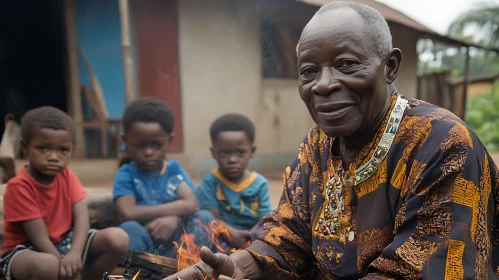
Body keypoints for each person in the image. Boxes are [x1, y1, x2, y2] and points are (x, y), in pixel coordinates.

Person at [166, 2, 499, 279]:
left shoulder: (441, 145)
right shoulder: (318, 145)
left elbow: (424, 270)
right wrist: (241, 264)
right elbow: (290, 233)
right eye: (309, 71)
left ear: (390, 67)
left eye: (347, 64)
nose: (323, 85)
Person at [0, 106, 129, 280]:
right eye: (43, 148)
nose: (54, 156)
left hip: (64, 242)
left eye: (63, 150)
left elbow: (82, 217)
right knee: (48, 265)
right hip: (26, 250)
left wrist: (75, 252)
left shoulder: (66, 176)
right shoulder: (19, 186)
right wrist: (62, 259)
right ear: (25, 146)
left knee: (118, 238)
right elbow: (38, 237)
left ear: (72, 150)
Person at [114, 97, 214, 258]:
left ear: (170, 141)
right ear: (125, 140)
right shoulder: (127, 173)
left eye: (156, 145)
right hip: (145, 243)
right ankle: (144, 272)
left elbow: (191, 203)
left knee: (205, 218)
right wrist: (174, 209)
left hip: (177, 242)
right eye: (140, 145)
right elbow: (127, 213)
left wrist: (173, 217)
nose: (148, 152)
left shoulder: (173, 169)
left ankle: (183, 269)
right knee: (129, 227)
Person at [196, 113, 274, 251]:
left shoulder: (259, 183)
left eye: (240, 153)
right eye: (224, 153)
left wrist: (250, 236)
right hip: (222, 237)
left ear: (252, 151)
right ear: (213, 152)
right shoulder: (210, 182)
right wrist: (232, 234)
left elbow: (265, 218)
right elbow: (211, 217)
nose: (232, 159)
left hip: (252, 238)